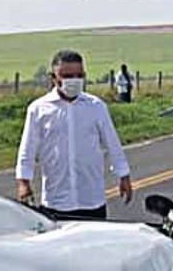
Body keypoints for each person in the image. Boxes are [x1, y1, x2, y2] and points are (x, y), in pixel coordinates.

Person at [16, 49, 132, 221]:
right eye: (67, 76)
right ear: (54, 78)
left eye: (78, 75)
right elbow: (28, 149)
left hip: (92, 200)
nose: (73, 81)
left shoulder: (95, 106)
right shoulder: (39, 109)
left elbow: (112, 143)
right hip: (56, 201)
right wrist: (23, 183)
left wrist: (124, 176)